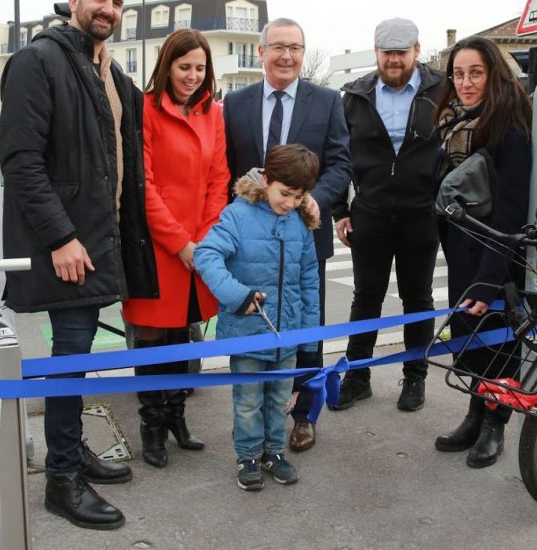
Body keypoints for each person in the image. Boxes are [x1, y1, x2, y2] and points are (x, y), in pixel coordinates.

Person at [0, 0, 156, 530]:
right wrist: (61, 237)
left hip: (97, 239)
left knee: (78, 355)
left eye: (117, 1)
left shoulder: (106, 68)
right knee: (68, 357)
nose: (108, 8)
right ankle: (61, 478)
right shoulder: (36, 61)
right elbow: (20, 160)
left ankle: (72, 451)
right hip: (66, 246)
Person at [223, 17, 351, 453]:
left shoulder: (328, 101)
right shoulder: (235, 104)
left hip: (304, 237)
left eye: (295, 47)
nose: (287, 56)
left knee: (306, 328)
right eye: (277, 46)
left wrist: (318, 198)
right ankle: (252, 421)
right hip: (250, 246)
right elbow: (225, 169)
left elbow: (341, 164)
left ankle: (303, 417)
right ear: (260, 52)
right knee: (255, 330)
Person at [121, 29, 230, 469]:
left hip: (197, 248)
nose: (192, 75)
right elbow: (142, 186)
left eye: (200, 68)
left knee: (184, 333)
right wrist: (180, 242)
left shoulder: (212, 113)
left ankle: (177, 419)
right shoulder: (145, 109)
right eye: (184, 66)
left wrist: (203, 241)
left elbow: (219, 180)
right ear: (167, 66)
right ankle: (151, 426)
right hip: (155, 246)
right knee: (151, 340)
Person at [331, 18, 447, 412]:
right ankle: (357, 376)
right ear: (376, 51)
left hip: (421, 214)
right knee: (366, 298)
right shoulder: (355, 97)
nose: (394, 59)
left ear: (417, 50)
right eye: (388, 52)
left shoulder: (441, 90)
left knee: (418, 299)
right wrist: (339, 211)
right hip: (371, 214)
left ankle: (415, 378)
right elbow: (339, 157)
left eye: (402, 51)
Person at [193, 144, 321, 491]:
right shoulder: (238, 215)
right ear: (266, 179)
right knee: (248, 400)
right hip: (248, 333)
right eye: (285, 193)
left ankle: (274, 452)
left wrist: (309, 337)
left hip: (288, 334)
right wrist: (238, 295)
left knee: (280, 398)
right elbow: (206, 255)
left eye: (299, 196)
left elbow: (309, 279)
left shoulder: (300, 222)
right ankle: (248, 455)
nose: (291, 203)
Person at [432, 36, 532, 468]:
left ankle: (495, 425)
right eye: (458, 74)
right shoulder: (454, 121)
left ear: (493, 74)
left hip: (497, 255)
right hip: (461, 248)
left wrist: (491, 278)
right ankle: (475, 413)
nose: (466, 82)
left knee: (498, 342)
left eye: (475, 73)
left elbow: (510, 211)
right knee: (468, 340)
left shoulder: (510, 126)